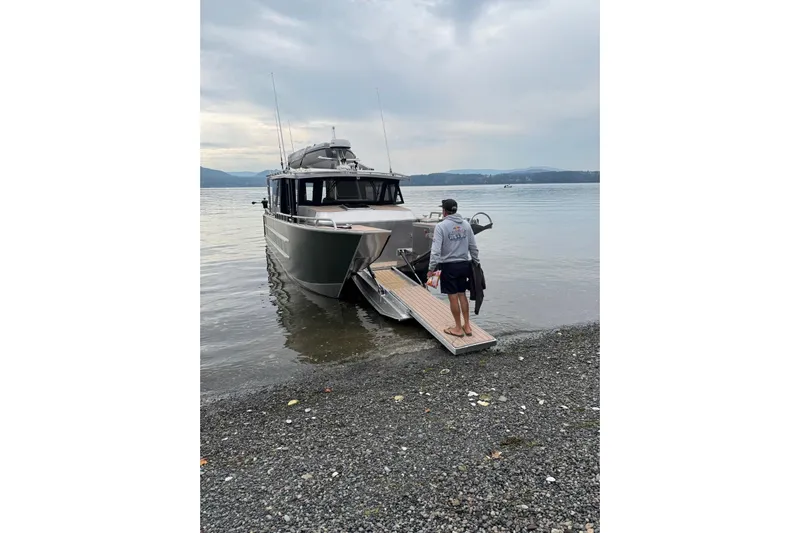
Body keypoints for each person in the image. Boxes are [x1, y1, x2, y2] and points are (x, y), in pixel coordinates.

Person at [427, 199, 480, 338]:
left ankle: (457, 328)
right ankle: (467, 326)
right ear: (455, 210)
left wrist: (431, 268)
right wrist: (476, 263)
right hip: (464, 265)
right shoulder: (466, 225)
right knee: (462, 294)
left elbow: (435, 251)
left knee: (453, 297)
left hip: (449, 266)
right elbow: (473, 247)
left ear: (444, 211)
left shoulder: (441, 226)